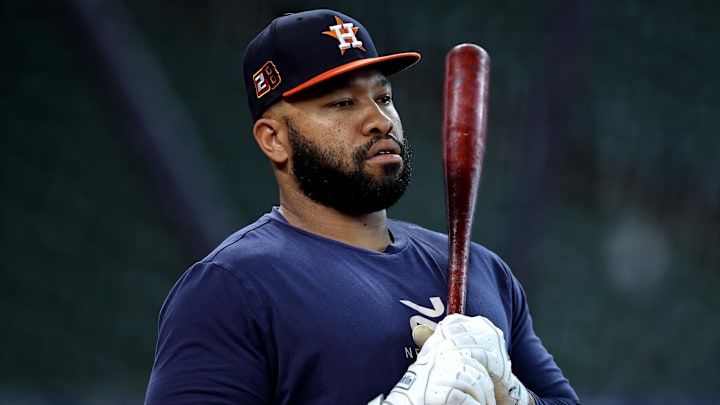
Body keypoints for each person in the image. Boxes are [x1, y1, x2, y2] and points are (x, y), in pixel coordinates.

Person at [144, 8, 579, 405]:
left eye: (384, 97)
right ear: (273, 139)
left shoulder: (484, 271)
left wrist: (517, 398)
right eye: (341, 103)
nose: (380, 119)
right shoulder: (231, 289)